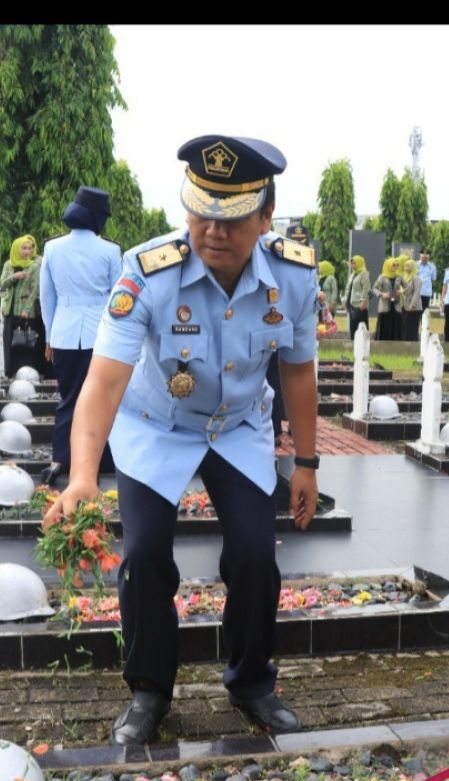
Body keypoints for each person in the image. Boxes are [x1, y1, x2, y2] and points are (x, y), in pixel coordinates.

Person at [44, 134, 318, 746]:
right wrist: (84, 475)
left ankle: (251, 680)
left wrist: (307, 462)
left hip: (241, 426)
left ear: (266, 217)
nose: (212, 231)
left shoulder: (294, 277)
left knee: (254, 556)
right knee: (143, 557)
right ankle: (149, 689)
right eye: (200, 211)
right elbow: (104, 380)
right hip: (156, 426)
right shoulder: (147, 272)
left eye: (231, 217)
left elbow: (299, 372)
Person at [38, 186, 122, 486]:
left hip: (64, 332)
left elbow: (47, 299)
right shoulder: (110, 250)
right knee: (103, 397)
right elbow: (119, 301)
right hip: (101, 335)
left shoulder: (52, 248)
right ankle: (100, 460)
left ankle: (60, 458)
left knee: (69, 397)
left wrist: (49, 336)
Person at [0, 235, 49, 378]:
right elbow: (2, 284)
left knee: (27, 342)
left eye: (30, 248)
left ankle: (30, 374)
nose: (27, 251)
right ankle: (12, 373)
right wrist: (14, 277)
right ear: (17, 248)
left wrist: (27, 309)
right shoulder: (9, 264)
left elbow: (36, 289)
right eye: (24, 248)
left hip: (26, 312)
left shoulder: (35, 265)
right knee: (10, 342)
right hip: (10, 310)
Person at [342, 255, 370, 339]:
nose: (353, 266)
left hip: (360, 305)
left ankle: (362, 346)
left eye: (355, 263)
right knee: (353, 326)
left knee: (360, 326)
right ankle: (353, 344)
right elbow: (348, 289)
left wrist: (364, 302)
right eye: (352, 264)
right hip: (352, 304)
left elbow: (367, 288)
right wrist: (345, 301)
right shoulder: (352, 275)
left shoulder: (363, 274)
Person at [372, 258, 399, 341]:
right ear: (388, 266)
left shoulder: (399, 276)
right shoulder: (382, 277)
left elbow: (406, 288)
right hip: (385, 304)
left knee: (396, 324)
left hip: (396, 305)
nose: (395, 267)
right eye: (393, 265)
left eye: (397, 265)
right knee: (384, 324)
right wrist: (382, 294)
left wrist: (401, 291)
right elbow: (374, 288)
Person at [398, 255, 423, 341]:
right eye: (405, 266)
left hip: (414, 308)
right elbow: (405, 290)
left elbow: (416, 293)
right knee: (405, 326)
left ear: (413, 267)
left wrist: (412, 305)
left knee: (412, 327)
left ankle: (413, 344)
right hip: (405, 306)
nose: (406, 268)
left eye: (408, 266)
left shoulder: (416, 278)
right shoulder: (404, 277)